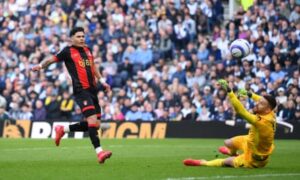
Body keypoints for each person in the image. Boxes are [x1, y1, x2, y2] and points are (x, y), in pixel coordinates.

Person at [32, 27, 112, 164]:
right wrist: (40, 66)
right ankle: (99, 152)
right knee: (92, 121)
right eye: (79, 36)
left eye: (83, 36)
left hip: (93, 91)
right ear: (72, 38)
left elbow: (93, 67)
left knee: (96, 125)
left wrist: (103, 82)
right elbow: (51, 59)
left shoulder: (88, 49)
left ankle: (63, 129)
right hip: (81, 91)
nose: (82, 38)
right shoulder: (67, 51)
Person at [183, 79, 277, 168]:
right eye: (258, 102)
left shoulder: (261, 121)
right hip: (249, 141)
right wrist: (248, 93)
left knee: (227, 161)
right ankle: (232, 153)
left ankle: (202, 162)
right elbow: (260, 98)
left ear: (267, 109)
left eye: (261, 104)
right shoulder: (270, 111)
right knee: (227, 142)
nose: (256, 103)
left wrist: (230, 91)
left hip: (254, 159)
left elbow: (241, 111)